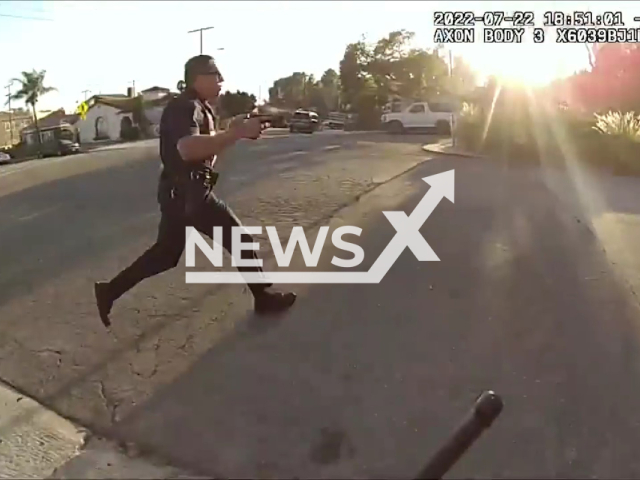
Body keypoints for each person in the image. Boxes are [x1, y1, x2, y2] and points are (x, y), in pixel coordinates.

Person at [94, 54, 296, 328]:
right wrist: (236, 134)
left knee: (165, 255)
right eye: (215, 74)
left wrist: (233, 129)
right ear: (197, 78)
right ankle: (263, 298)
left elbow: (205, 145)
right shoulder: (185, 106)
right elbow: (187, 148)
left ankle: (109, 291)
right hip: (189, 193)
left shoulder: (196, 106)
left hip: (181, 192)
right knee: (240, 241)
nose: (221, 80)